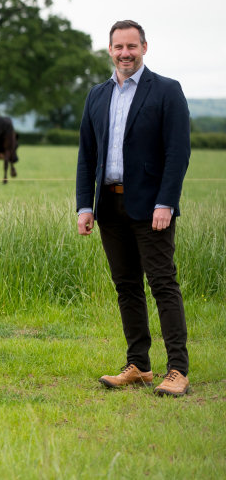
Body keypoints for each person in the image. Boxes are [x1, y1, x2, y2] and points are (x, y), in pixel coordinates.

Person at [76, 20, 191, 397]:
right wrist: (84, 206)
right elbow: (86, 156)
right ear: (109, 50)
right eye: (118, 47)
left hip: (151, 207)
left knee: (162, 284)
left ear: (144, 47)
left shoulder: (167, 91)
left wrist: (166, 202)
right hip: (109, 205)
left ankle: (178, 370)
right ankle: (139, 365)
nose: (125, 53)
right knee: (126, 287)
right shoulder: (97, 95)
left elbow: (178, 153)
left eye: (132, 46)